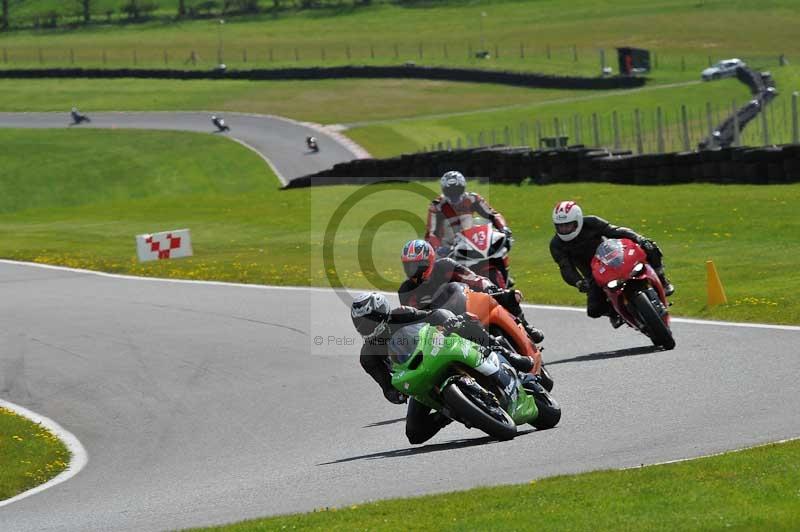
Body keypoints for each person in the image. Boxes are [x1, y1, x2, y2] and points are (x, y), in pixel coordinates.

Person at [351, 292, 533, 444]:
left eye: (368, 321)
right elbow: (386, 387)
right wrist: (397, 394)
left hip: (435, 351)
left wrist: (450, 322)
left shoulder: (401, 314)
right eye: (360, 324)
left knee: (466, 322)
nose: (365, 327)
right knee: (414, 434)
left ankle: (503, 352)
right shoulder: (368, 356)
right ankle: (450, 412)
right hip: (418, 375)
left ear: (382, 312)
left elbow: (434, 315)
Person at [549, 200, 675, 328]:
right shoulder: (556, 245)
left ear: (578, 221)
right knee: (594, 310)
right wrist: (579, 282)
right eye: (560, 226)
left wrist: (639, 238)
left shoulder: (592, 222)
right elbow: (566, 268)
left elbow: (616, 231)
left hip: (614, 257)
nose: (564, 229)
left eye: (568, 225)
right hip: (593, 274)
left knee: (650, 246)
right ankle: (614, 312)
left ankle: (662, 279)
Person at [399, 239, 543, 343]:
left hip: (467, 306)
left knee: (508, 296)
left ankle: (526, 327)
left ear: (429, 261)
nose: (414, 270)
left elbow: (473, 278)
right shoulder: (406, 290)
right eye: (409, 266)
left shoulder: (445, 266)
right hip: (444, 329)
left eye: (418, 266)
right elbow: (415, 321)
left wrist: (490, 287)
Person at [425, 171, 513, 283]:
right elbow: (431, 233)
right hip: (448, 247)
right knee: (438, 274)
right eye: (450, 191)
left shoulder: (473, 198)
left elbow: (493, 215)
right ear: (444, 190)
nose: (454, 194)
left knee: (500, 247)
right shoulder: (437, 205)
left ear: (463, 188)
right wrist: (438, 248)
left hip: (470, 241)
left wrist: (503, 228)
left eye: (457, 190)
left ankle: (504, 275)